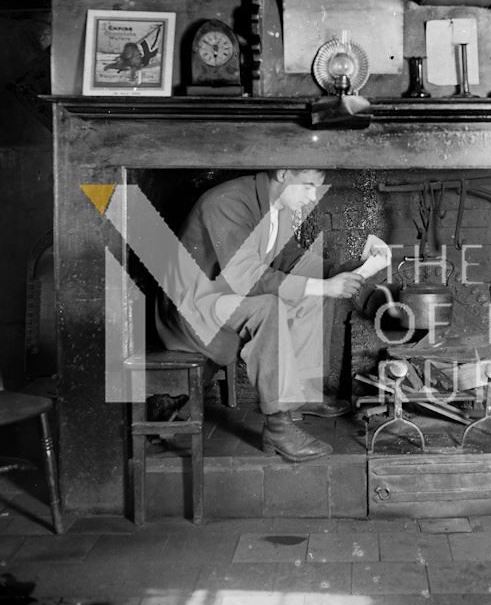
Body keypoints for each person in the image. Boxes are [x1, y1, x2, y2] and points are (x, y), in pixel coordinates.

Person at [155, 169, 364, 462]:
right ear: (283, 174)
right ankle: (278, 428)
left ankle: (301, 395)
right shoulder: (227, 203)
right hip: (194, 307)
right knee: (269, 307)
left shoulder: (276, 208)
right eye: (307, 187)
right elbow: (244, 277)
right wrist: (322, 285)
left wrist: (348, 269)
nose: (312, 197)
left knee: (317, 294)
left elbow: (292, 260)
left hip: (225, 298)